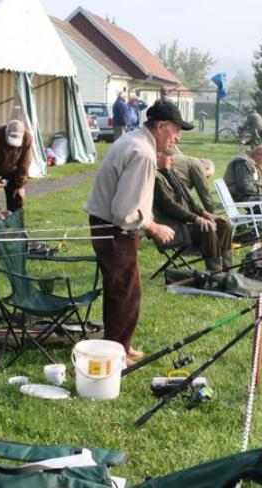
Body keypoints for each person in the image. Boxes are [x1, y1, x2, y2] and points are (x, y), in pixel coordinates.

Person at [84, 100, 192, 365]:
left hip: (107, 224)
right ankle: (118, 354)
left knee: (121, 289)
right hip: (114, 230)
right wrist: (153, 227)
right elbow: (124, 212)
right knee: (125, 291)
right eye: (176, 129)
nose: (177, 137)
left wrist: (148, 219)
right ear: (161, 126)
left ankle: (120, 345)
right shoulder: (143, 152)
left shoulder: (135, 140)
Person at [153, 148, 234, 272]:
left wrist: (206, 214)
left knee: (224, 224)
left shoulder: (170, 172)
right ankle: (215, 272)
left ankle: (228, 270)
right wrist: (196, 219)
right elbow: (170, 206)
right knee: (207, 228)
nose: (173, 159)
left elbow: (189, 199)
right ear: (158, 156)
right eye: (169, 156)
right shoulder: (156, 178)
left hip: (186, 221)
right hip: (173, 226)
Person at [0, 119, 32, 212]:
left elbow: (24, 162)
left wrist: (19, 185)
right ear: (6, 132)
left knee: (16, 198)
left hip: (12, 170)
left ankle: (15, 219)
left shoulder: (27, 138)